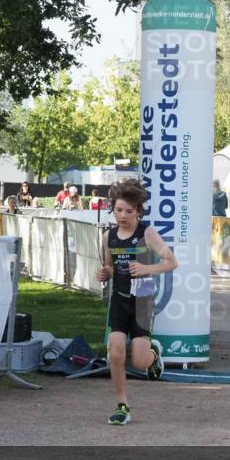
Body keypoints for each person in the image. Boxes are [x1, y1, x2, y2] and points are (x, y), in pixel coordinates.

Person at [96, 179, 178, 426]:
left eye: (129, 211)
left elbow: (172, 262)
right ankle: (122, 405)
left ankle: (153, 354)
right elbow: (109, 267)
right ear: (113, 208)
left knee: (139, 361)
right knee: (116, 351)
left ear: (138, 212)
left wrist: (146, 268)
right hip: (119, 301)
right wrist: (105, 273)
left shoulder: (147, 234)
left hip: (142, 302)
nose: (123, 215)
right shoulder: (107, 236)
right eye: (118, 210)